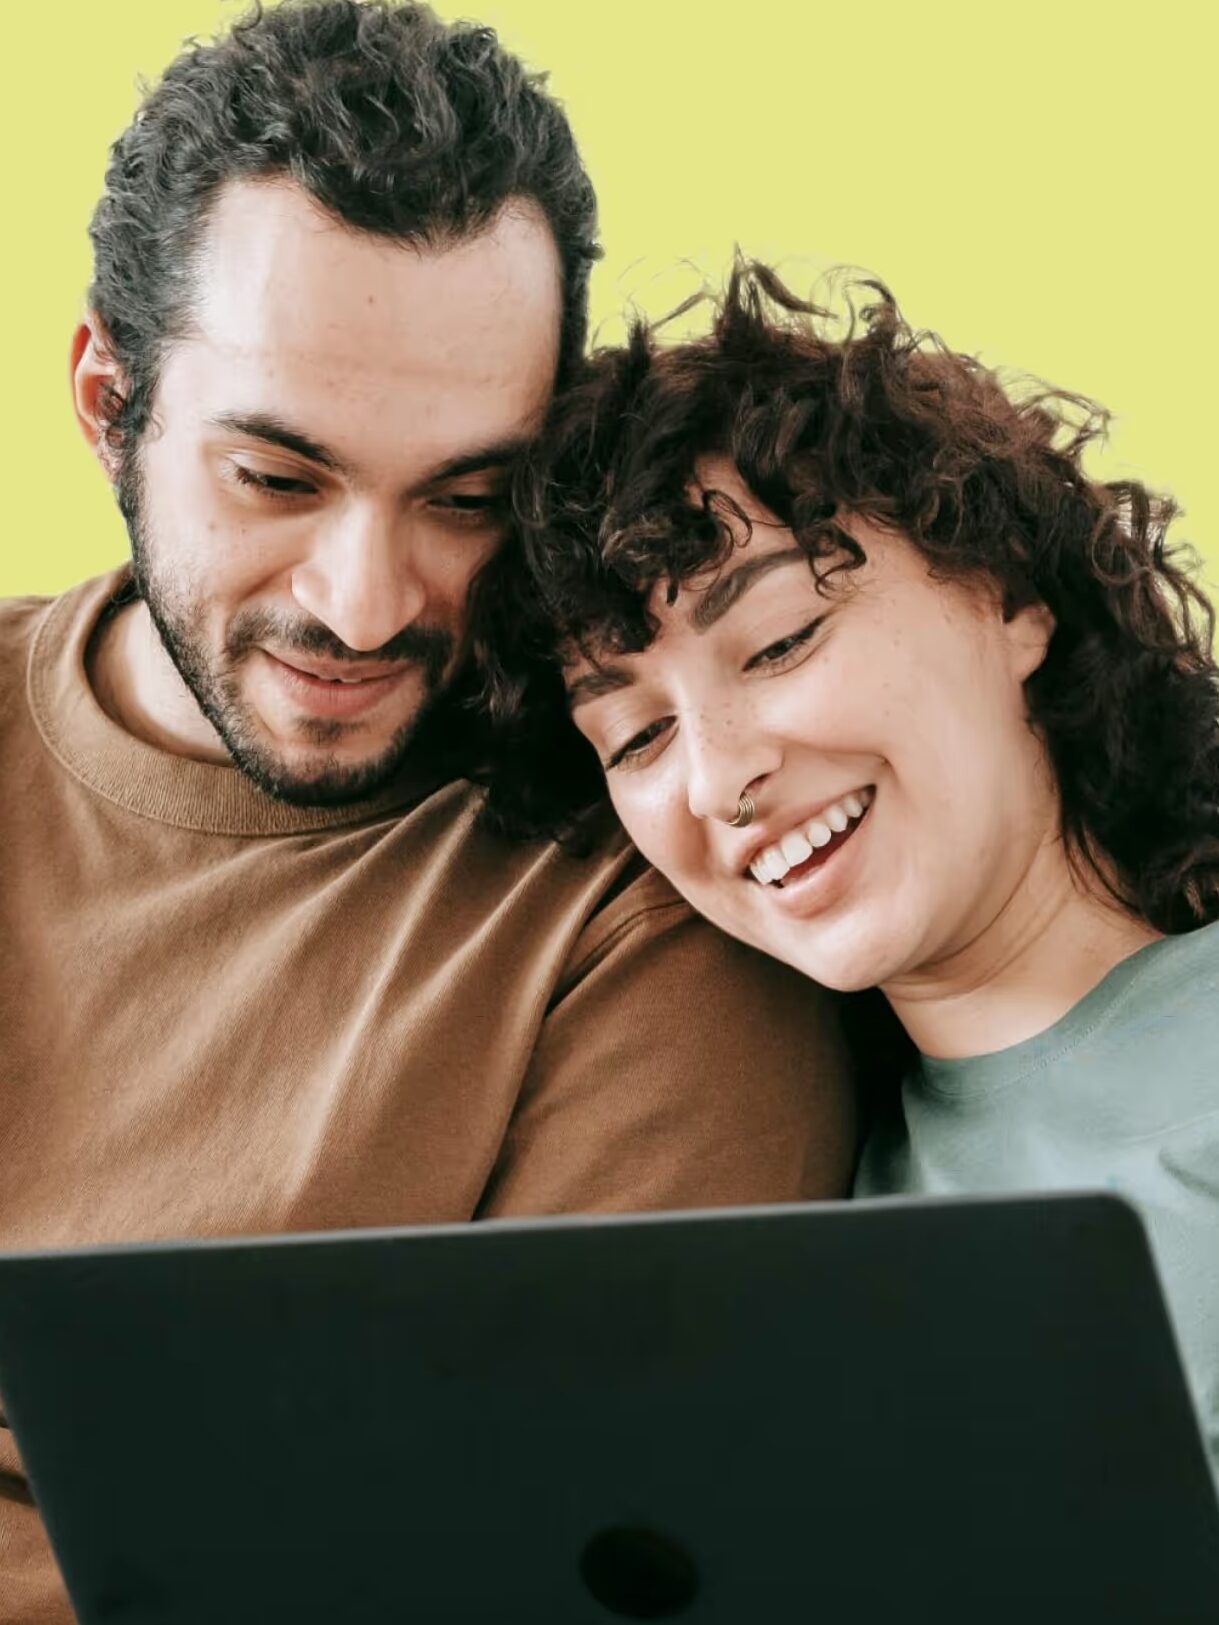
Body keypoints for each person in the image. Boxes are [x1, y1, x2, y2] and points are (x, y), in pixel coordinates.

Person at [0, 10, 858, 1618]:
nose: (365, 602)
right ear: (110, 401)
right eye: (276, 479)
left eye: (468, 499)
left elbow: (520, 1572)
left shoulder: (639, 903)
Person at [476, 261, 1219, 1480]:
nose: (719, 779)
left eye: (779, 640)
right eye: (638, 736)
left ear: (1006, 592)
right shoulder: (796, 1206)